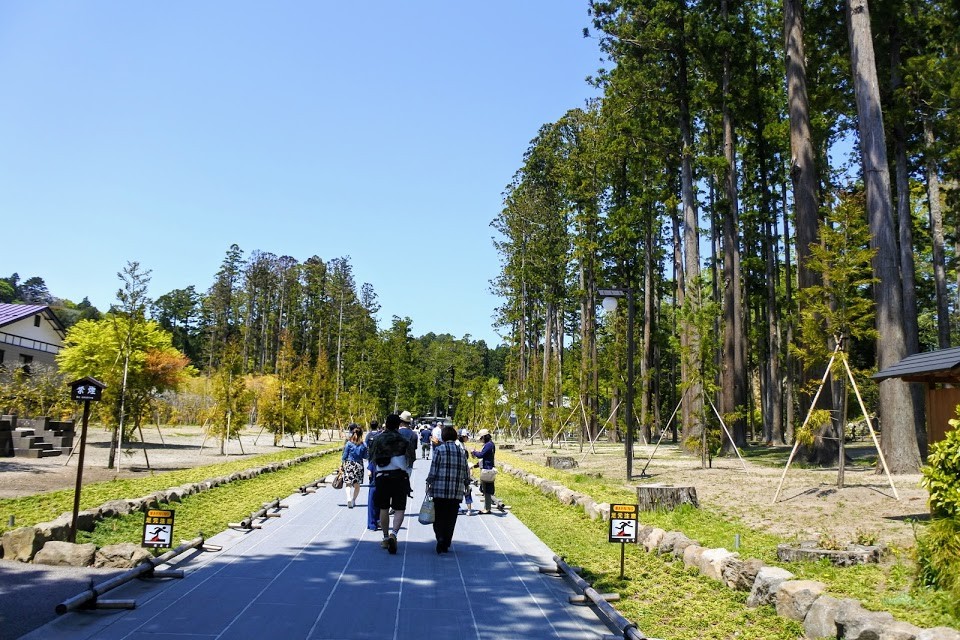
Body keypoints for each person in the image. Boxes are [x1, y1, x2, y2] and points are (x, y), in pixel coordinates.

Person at [368, 413, 417, 554]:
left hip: (382, 477)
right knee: (399, 508)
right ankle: (394, 534)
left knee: (383, 508)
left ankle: (384, 537)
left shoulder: (378, 439)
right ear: (399, 424)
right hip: (400, 477)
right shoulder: (404, 439)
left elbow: (371, 457)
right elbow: (411, 459)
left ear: (386, 424)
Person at [426, 426, 471, 554]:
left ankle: (440, 537)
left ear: (444, 437)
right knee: (451, 518)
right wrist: (467, 483)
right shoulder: (461, 452)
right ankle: (446, 541)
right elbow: (465, 470)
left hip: (439, 490)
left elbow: (434, 469)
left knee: (438, 516)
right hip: (455, 491)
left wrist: (429, 482)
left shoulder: (439, 450)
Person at [340, 425, 367, 508]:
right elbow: (365, 456)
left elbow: (344, 455)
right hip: (358, 465)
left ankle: (348, 498)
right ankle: (353, 500)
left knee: (348, 483)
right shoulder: (363, 444)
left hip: (349, 464)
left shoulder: (349, 443)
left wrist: (342, 464)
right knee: (357, 485)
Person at [471, 428, 497, 514]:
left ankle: (487, 508)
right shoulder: (489, 444)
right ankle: (487, 507)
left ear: (485, 437)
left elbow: (481, 455)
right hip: (487, 468)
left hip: (487, 469)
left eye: (481, 438)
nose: (481, 440)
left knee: (487, 489)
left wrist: (474, 452)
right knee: (485, 489)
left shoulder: (489, 445)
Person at [364, 420, 381, 531]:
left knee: (372, 501)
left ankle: (372, 524)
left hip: (374, 479)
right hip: (385, 481)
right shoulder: (380, 435)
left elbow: (369, 473)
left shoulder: (368, 435)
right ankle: (380, 521)